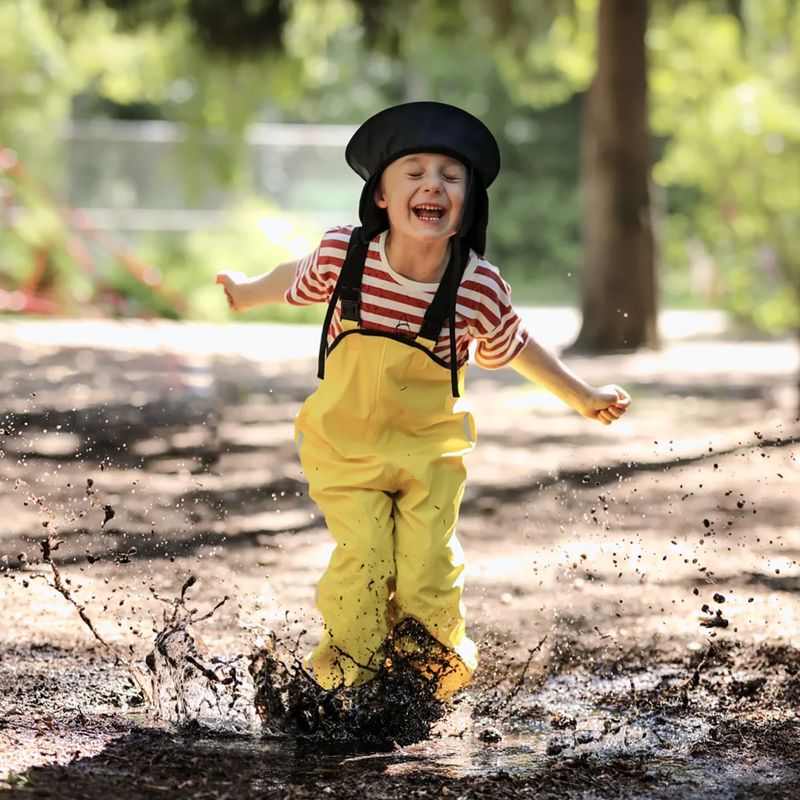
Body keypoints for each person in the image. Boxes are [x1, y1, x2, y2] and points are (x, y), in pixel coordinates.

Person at [217, 102, 630, 699]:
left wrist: (583, 396)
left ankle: (420, 689)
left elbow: (517, 345)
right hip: (346, 446)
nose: (431, 184)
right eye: (413, 172)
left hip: (429, 455)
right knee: (363, 564)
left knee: (426, 577)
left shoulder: (475, 285)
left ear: (467, 203)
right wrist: (246, 292)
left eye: (449, 175)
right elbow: (292, 276)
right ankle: (343, 689)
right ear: (381, 195)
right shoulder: (345, 255)